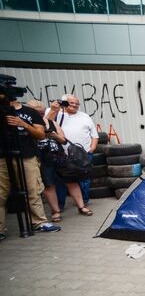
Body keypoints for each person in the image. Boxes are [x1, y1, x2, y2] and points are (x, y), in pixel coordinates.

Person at [0, 100, 60, 241]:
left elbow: (40, 134)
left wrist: (23, 124)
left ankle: (39, 222)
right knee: (0, 194)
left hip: (27, 155)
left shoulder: (30, 112)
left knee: (33, 190)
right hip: (2, 156)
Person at [28, 100, 92, 220]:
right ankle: (56, 211)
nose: (40, 115)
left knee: (72, 181)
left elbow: (64, 140)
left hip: (60, 157)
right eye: (38, 113)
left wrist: (55, 136)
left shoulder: (51, 123)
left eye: (42, 113)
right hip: (42, 159)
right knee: (49, 185)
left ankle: (81, 206)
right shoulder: (28, 126)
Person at [46, 94, 97, 212]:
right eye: (71, 102)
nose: (74, 105)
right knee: (60, 181)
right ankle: (59, 205)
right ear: (64, 102)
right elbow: (46, 124)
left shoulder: (84, 116)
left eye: (77, 103)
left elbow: (94, 134)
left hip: (81, 155)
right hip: (60, 155)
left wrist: (92, 147)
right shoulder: (53, 111)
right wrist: (54, 110)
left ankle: (83, 202)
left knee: (82, 179)